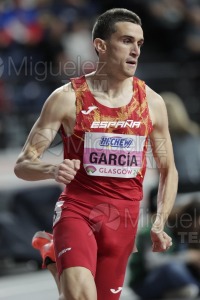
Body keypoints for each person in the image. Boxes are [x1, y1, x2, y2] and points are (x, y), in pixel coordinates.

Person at [14, 8, 178, 300]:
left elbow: (168, 169)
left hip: (123, 220)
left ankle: (54, 260)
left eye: (139, 44)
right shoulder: (66, 98)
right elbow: (24, 164)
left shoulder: (152, 102)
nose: (135, 51)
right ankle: (61, 260)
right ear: (101, 45)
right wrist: (51, 170)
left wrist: (159, 221)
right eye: (127, 41)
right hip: (78, 210)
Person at [129, 197, 200, 299]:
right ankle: (195, 288)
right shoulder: (155, 228)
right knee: (171, 268)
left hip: (168, 282)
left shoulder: (183, 235)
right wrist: (189, 256)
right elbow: (151, 263)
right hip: (143, 283)